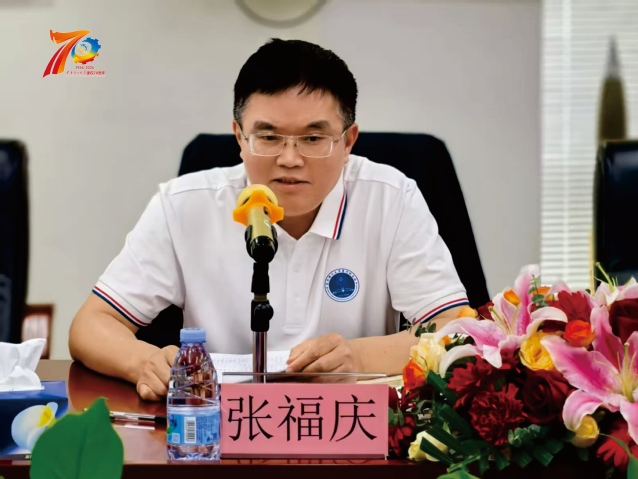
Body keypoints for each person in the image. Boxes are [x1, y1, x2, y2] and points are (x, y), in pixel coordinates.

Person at [69, 38, 469, 401]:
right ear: (240, 138)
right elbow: (91, 325)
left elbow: (455, 329)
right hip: (218, 426)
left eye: (313, 138)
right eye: (269, 137)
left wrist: (357, 357)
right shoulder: (183, 205)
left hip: (348, 426)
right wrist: (143, 362)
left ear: (348, 141)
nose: (289, 159)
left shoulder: (391, 199)